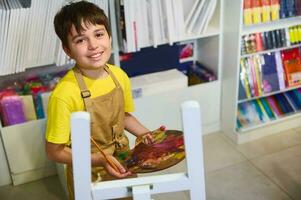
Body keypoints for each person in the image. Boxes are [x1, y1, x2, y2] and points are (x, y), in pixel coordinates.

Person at [45, 1, 163, 199]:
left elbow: (123, 116)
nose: (93, 46)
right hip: (89, 172)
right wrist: (99, 159)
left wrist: (145, 134)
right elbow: (54, 151)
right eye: (81, 40)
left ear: (109, 36)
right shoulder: (64, 94)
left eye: (99, 34)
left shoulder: (119, 75)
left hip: (124, 160)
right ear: (67, 50)